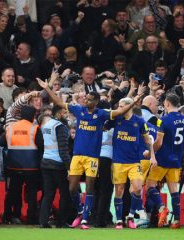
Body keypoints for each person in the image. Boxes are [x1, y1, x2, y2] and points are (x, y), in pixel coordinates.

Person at [37, 78, 141, 229]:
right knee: (72, 187)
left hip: (92, 157)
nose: (86, 101)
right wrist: (47, 88)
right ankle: (80, 211)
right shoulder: (79, 110)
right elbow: (59, 103)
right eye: (86, 98)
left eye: (90, 99)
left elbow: (120, 111)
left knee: (90, 188)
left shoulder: (101, 114)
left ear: (96, 102)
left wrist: (134, 100)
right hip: (77, 156)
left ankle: (85, 219)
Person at [145, 93, 184, 229]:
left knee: (150, 186)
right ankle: (176, 220)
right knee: (174, 191)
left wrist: (150, 152)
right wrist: (179, 155)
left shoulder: (163, 120)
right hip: (176, 160)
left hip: (162, 159)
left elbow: (159, 143)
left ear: (167, 104)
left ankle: (161, 208)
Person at [109, 98, 156, 229]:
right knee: (119, 190)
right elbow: (103, 124)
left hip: (134, 161)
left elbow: (148, 140)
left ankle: (130, 216)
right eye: (119, 106)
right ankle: (119, 220)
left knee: (138, 188)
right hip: (118, 161)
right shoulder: (116, 119)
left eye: (121, 106)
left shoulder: (139, 121)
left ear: (129, 107)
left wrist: (152, 156)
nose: (119, 108)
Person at [0, 105, 44, 224]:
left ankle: (9, 216)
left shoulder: (10, 128)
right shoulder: (34, 128)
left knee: (13, 192)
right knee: (32, 193)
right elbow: (41, 146)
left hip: (13, 166)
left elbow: (1, 142)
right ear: (32, 115)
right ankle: (31, 218)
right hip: (31, 167)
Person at [39, 105, 71, 228]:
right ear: (58, 114)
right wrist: (69, 168)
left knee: (48, 194)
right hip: (58, 164)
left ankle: (43, 222)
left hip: (46, 162)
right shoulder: (60, 127)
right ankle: (61, 223)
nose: (67, 115)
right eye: (64, 112)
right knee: (64, 194)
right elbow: (63, 150)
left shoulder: (47, 125)